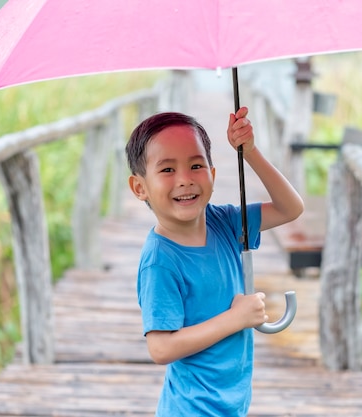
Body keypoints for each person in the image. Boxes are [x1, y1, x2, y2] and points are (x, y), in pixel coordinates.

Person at [125, 107, 303, 416]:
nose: (185, 180)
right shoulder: (160, 260)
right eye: (167, 170)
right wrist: (236, 319)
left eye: (196, 165)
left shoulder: (226, 223)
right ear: (140, 187)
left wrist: (251, 153)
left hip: (230, 405)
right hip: (192, 409)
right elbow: (160, 348)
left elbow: (290, 208)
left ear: (213, 174)